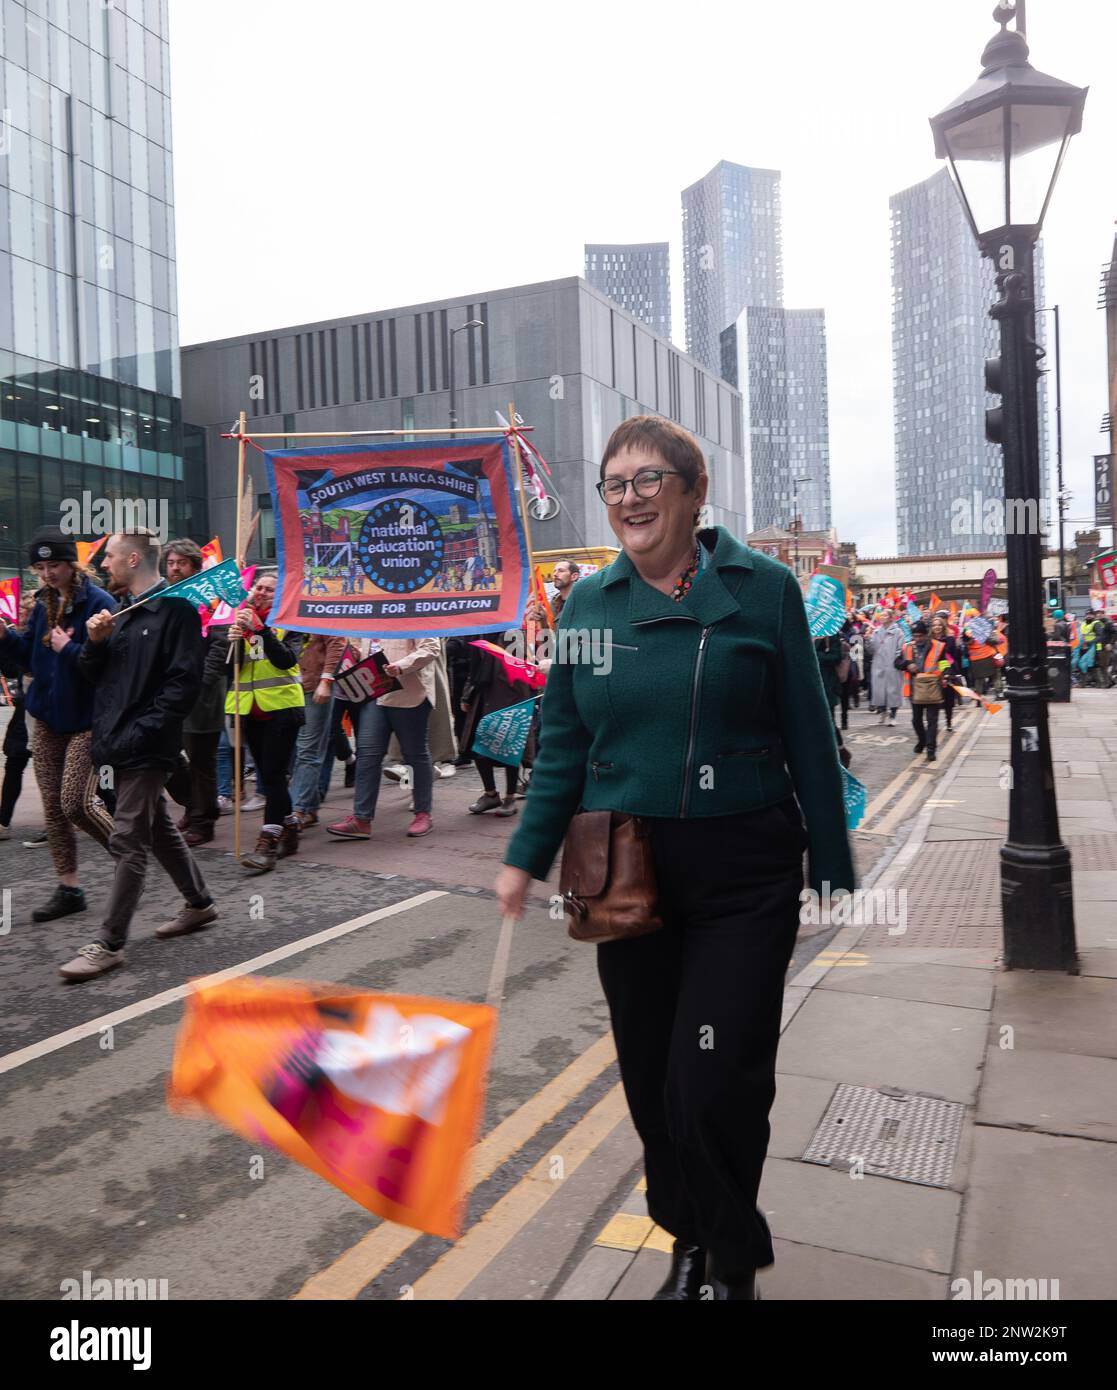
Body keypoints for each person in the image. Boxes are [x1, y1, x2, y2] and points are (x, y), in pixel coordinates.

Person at [495, 415, 854, 1301]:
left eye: (648, 481)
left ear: (694, 493)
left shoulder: (762, 589)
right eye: (615, 485)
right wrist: (524, 854)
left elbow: (808, 731)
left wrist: (833, 861)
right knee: (655, 1082)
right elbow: (565, 742)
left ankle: (729, 1257)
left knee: (715, 1076)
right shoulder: (586, 605)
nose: (628, 499)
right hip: (626, 874)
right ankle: (689, 1238)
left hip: (745, 868)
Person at [59, 530, 218, 981]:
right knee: (158, 828)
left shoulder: (177, 611)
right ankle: (200, 903)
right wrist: (94, 642)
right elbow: (96, 678)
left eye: (108, 557)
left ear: (132, 558)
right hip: (115, 743)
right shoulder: (120, 613)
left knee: (129, 838)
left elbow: (183, 684)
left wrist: (142, 732)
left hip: (147, 746)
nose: (104, 565)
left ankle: (109, 943)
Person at [0, 528, 116, 920]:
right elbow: (30, 659)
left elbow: (104, 664)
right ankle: (70, 889)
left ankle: (128, 852)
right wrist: (4, 637)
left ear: (72, 565)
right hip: (47, 717)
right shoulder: (42, 604)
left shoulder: (98, 603)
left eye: (54, 566)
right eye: (40, 567)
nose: (47, 573)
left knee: (77, 803)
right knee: (53, 808)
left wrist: (69, 649)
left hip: (87, 717)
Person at [226, 573, 306, 872]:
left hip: (282, 709)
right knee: (268, 776)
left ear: (280, 595)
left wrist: (261, 631)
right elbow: (229, 669)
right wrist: (234, 640)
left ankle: (268, 842)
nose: (260, 592)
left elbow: (286, 660)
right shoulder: (239, 622)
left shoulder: (289, 621)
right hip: (248, 709)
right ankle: (290, 825)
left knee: (272, 776)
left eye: (269, 590)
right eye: (258, 587)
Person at [326, 637, 440, 840]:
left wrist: (401, 666)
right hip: (375, 692)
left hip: (409, 695)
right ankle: (361, 819)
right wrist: (353, 656)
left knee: (414, 755)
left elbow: (431, 648)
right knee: (368, 754)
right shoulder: (373, 612)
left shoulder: (417, 609)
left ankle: (423, 813)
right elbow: (361, 646)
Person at [162, 540, 230, 845]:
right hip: (170, 691)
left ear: (194, 566)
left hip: (202, 694)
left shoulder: (213, 600)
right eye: (171, 563)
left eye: (181, 563)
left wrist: (198, 684)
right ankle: (195, 805)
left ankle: (203, 822)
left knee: (202, 761)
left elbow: (220, 647)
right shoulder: (167, 598)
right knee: (166, 754)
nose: (175, 568)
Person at [461, 630, 536, 817]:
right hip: (481, 696)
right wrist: (467, 694)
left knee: (509, 748)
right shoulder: (479, 632)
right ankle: (490, 794)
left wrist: (518, 703)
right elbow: (475, 668)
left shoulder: (513, 634)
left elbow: (520, 670)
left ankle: (510, 797)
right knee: (477, 747)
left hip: (508, 697)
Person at [289, 630, 346, 828]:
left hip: (313, 686)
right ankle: (310, 806)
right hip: (289, 688)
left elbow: (337, 641)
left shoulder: (319, 603)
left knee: (308, 751)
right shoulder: (283, 607)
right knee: (298, 750)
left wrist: (326, 680)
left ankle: (297, 810)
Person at [0, 591, 36, 839]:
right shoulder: (19, 638)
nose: (21, 616)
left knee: (93, 769)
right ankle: (3, 821)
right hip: (25, 713)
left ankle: (114, 809)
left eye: (26, 612)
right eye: (21, 611)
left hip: (47, 712)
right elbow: (11, 671)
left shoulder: (40, 637)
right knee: (14, 761)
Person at [897, 619, 946, 763]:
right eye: (915, 636)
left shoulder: (938, 646)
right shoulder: (907, 647)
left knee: (932, 721)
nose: (917, 639)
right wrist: (907, 664)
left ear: (926, 635)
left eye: (920, 636)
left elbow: (943, 663)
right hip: (914, 690)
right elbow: (897, 662)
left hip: (932, 688)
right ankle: (922, 740)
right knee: (916, 720)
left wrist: (947, 672)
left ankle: (931, 750)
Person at [868, 610, 904, 725]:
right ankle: (883, 712)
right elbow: (870, 650)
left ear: (890, 617)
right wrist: (868, 639)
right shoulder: (876, 632)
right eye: (881, 615)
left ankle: (893, 716)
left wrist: (897, 659)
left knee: (893, 692)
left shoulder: (897, 632)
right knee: (880, 692)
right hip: (878, 665)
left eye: (885, 615)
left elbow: (901, 648)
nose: (882, 617)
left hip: (892, 665)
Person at [929, 614, 963, 733]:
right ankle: (933, 723)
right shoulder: (929, 641)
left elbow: (954, 656)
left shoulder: (950, 639)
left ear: (943, 626)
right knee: (934, 700)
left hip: (948, 672)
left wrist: (953, 672)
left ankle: (948, 721)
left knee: (948, 699)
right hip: (933, 672)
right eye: (934, 625)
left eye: (939, 625)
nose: (937, 627)